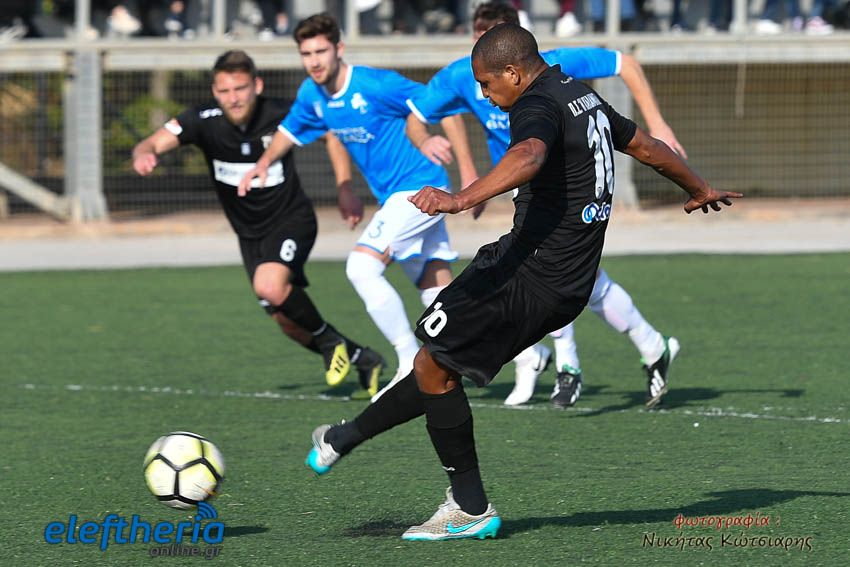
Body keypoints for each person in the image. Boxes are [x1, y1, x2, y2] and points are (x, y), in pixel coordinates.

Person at [305, 23, 740, 541]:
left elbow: (529, 154)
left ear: (513, 72)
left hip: (528, 272)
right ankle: (344, 438)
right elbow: (645, 146)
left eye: (487, 84)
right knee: (433, 364)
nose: (485, 95)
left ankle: (468, 508)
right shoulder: (581, 95)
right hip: (567, 282)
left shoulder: (535, 105)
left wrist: (459, 198)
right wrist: (698, 186)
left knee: (435, 364)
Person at [239, 13, 550, 397]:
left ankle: (406, 364)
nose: (314, 61)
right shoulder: (311, 95)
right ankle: (527, 352)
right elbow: (288, 132)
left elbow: (443, 104)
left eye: (321, 51)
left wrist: (448, 156)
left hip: (418, 189)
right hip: (396, 197)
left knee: (361, 268)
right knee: (438, 295)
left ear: (339, 48)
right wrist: (263, 165)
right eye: (306, 54)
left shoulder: (375, 84)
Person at [406, 1, 684, 408]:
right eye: (482, 38)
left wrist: (657, 124)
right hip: (522, 187)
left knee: (545, 275)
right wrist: (454, 161)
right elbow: (418, 116)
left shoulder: (553, 67)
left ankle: (569, 365)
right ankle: (648, 346)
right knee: (574, 280)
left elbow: (626, 63)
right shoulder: (466, 74)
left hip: (564, 188)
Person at [131, 50, 384, 397]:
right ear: (214, 91)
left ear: (257, 85)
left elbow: (331, 133)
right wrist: (144, 154)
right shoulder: (201, 119)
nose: (233, 98)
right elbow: (150, 143)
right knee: (286, 320)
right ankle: (363, 358)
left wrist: (344, 188)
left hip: (292, 220)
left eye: (240, 88)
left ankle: (329, 343)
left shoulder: (282, 113)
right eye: (224, 91)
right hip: (250, 235)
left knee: (270, 286)